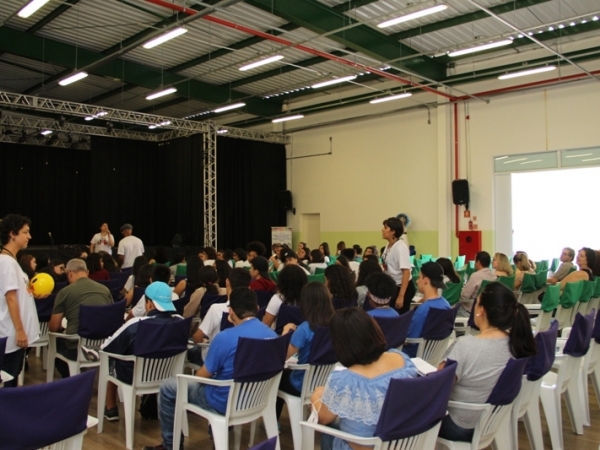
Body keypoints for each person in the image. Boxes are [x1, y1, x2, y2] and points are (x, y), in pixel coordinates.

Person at [144, 288, 277, 450]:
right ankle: (215, 434)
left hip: (223, 401)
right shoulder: (272, 335)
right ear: (257, 308)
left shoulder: (226, 336)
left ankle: (170, 446)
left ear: (231, 311)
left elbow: (202, 375)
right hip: (256, 399)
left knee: (167, 386)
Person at [437, 282, 536, 442]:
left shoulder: (465, 345)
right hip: (489, 421)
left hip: (458, 424)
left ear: (481, 310)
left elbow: (438, 387)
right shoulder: (516, 343)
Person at [311, 308, 418, 450]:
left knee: (329, 429)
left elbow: (323, 418)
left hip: (359, 446)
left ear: (340, 345)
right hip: (401, 443)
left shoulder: (343, 381)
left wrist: (316, 397)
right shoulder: (402, 360)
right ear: (373, 330)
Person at [101, 281, 183, 421]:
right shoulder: (180, 322)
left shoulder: (136, 324)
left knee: (112, 359)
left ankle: (111, 408)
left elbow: (106, 348)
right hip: (167, 376)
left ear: (149, 303)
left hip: (134, 376)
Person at [276, 282, 335, 419]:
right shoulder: (336, 325)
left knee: (277, 378)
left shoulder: (305, 328)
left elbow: (281, 356)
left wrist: (285, 333)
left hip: (301, 384)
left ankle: (274, 421)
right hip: (325, 384)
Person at [48, 258, 113, 378]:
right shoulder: (105, 290)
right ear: (87, 272)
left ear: (69, 273)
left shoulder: (65, 292)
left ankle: (72, 378)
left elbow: (54, 327)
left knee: (52, 343)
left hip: (76, 347)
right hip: (103, 346)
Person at [0, 214, 39, 387]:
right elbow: (10, 298)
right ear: (12, 234)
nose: (29, 236)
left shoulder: (11, 261)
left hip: (13, 334)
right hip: (11, 334)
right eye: (25, 232)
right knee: (9, 382)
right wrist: (20, 330)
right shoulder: (7, 262)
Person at [188, 269, 252, 365]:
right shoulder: (253, 311)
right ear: (249, 286)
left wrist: (204, 339)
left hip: (213, 360)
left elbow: (197, 338)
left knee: (188, 351)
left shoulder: (217, 309)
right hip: (241, 359)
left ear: (227, 282)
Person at [404, 262, 451, 358]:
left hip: (416, 356)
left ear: (425, 280)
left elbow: (410, 340)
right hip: (435, 355)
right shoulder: (446, 305)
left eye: (419, 277)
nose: (416, 281)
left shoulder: (422, 311)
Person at [381, 217, 413, 314]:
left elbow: (406, 272)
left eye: (385, 228)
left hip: (402, 287)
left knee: (400, 317)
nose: (382, 230)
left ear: (393, 231)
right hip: (393, 286)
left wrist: (401, 296)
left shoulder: (400, 248)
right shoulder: (389, 245)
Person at [458, 251, 497, 317]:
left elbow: (464, 296)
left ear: (478, 262)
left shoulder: (476, 276)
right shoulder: (494, 276)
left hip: (471, 310)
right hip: (487, 309)